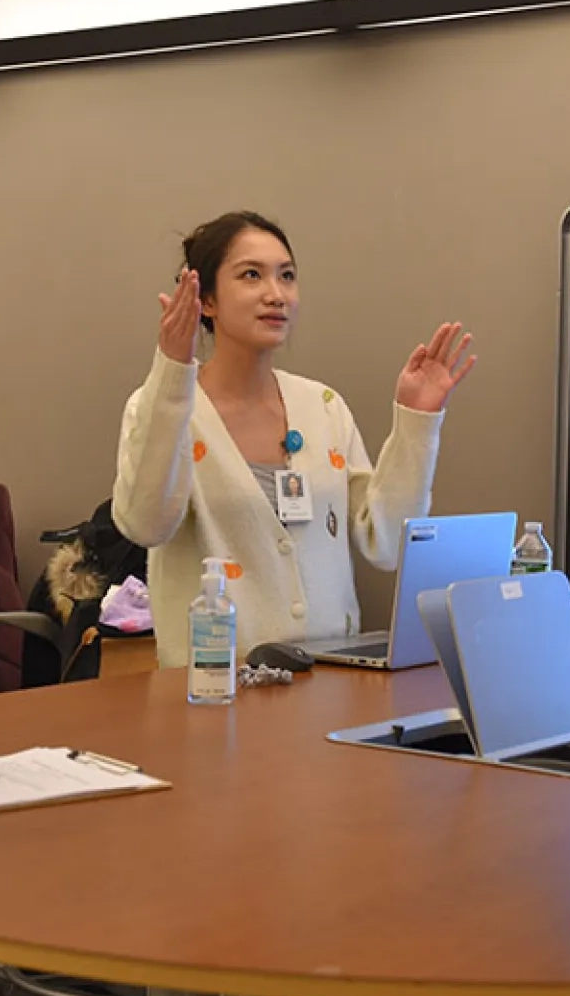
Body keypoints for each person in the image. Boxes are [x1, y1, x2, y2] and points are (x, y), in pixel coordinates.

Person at [113, 211, 476, 668]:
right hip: (216, 692)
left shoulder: (322, 405)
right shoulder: (163, 409)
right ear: (206, 300)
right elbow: (145, 524)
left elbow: (384, 543)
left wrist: (418, 421)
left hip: (330, 687)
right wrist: (171, 371)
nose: (276, 294)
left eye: (287, 276)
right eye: (251, 275)